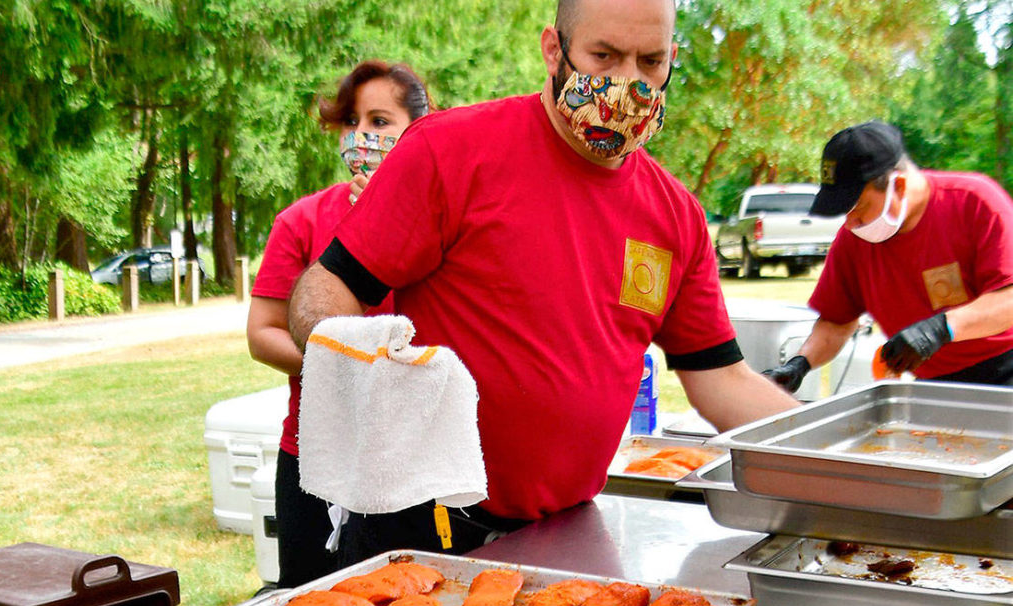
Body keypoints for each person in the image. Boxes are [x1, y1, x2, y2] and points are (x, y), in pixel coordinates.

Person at [286, 0, 799, 567]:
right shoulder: (450, 150)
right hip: (419, 528)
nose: (628, 83)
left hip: (563, 534)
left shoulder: (675, 216)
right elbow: (328, 283)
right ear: (554, 50)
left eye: (651, 62)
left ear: (671, 59)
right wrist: (358, 357)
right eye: (604, 56)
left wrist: (829, 455)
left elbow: (723, 380)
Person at [246, 61, 432, 588]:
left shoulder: (442, 222)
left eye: (380, 121)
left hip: (411, 459)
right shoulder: (301, 220)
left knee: (405, 603)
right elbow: (262, 333)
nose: (362, 136)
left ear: (419, 128)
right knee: (308, 603)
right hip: (313, 456)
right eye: (352, 122)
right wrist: (341, 364)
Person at [765, 120, 1013, 391]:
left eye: (859, 207)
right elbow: (836, 322)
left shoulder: (975, 202)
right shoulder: (854, 240)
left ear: (900, 185)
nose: (850, 222)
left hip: (1005, 367)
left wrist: (940, 329)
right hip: (933, 383)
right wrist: (800, 364)